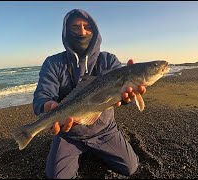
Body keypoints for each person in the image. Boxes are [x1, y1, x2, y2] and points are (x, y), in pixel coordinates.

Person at [33, 9, 146, 179]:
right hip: (68, 134)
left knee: (130, 167)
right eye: (75, 28)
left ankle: (94, 150)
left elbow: (123, 97)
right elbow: (42, 95)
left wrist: (128, 99)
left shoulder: (109, 60)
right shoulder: (53, 63)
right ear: (66, 31)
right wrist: (47, 106)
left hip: (104, 130)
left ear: (95, 30)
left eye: (87, 27)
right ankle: (74, 150)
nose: (82, 32)